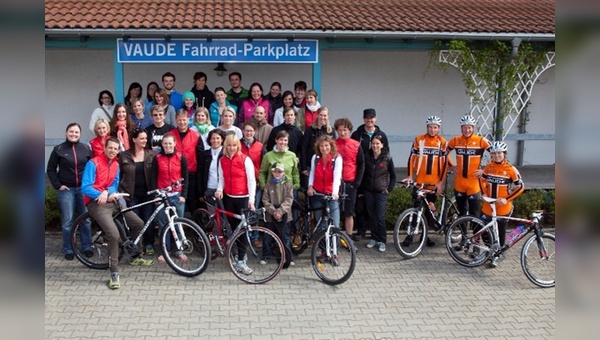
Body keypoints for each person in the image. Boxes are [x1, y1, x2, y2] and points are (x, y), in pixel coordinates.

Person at [82, 137, 154, 290]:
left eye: (115, 149)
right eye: (110, 148)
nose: (113, 151)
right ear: (105, 148)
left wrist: (108, 191)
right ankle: (114, 272)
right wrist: (100, 194)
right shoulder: (93, 163)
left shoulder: (115, 164)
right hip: (97, 203)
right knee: (114, 235)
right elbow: (85, 187)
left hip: (111, 200)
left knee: (138, 224)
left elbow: (115, 183)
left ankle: (135, 256)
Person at [47, 123, 93, 260]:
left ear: (80, 134)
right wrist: (58, 185)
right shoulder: (58, 149)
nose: (74, 134)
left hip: (83, 189)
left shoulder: (85, 149)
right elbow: (51, 169)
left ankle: (87, 246)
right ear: (66, 133)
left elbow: (92, 168)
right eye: (71, 132)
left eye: (76, 132)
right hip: (66, 189)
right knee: (68, 220)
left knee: (86, 219)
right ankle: (68, 248)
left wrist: (90, 185)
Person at [475, 141, 525, 267]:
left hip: (503, 206)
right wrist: (484, 193)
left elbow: (520, 186)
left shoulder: (511, 169)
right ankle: (490, 251)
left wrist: (507, 199)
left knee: (500, 232)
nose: (496, 156)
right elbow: (482, 179)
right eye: (494, 153)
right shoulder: (489, 167)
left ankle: (497, 255)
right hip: (489, 205)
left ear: (504, 154)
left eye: (499, 153)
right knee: (484, 229)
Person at [401, 116, 448, 247]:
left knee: (429, 211)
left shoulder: (442, 142)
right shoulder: (419, 139)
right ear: (427, 127)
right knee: (416, 208)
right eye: (430, 127)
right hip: (420, 181)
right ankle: (410, 236)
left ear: (438, 128)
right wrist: (410, 176)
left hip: (434, 183)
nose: (432, 129)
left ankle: (425, 236)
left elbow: (445, 165)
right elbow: (412, 158)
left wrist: (440, 182)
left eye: (435, 127)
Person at [215, 134, 256, 275]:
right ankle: (236, 253)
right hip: (228, 198)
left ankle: (241, 260)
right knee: (233, 228)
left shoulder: (245, 159)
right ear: (225, 146)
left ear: (238, 146)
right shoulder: (222, 160)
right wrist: (219, 190)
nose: (232, 148)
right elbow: (221, 179)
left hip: (243, 198)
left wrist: (251, 199)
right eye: (229, 145)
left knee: (242, 230)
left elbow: (252, 181)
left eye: (234, 145)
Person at [351, 108, 390, 240]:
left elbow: (387, 156)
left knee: (376, 212)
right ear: (364, 119)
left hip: (377, 175)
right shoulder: (357, 134)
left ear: (376, 118)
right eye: (367, 118)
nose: (369, 120)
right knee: (361, 206)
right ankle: (361, 231)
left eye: (372, 118)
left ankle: (378, 237)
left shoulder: (382, 135)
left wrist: (387, 183)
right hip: (362, 175)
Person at [150, 132, 189, 264]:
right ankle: (164, 250)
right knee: (163, 224)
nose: (167, 146)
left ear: (174, 144)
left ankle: (178, 250)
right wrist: (156, 195)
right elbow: (153, 178)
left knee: (177, 223)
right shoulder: (157, 158)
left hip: (177, 196)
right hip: (162, 196)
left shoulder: (181, 157)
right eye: (165, 143)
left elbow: (186, 178)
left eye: (170, 143)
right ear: (162, 144)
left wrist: (184, 195)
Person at [118, 129, 156, 255]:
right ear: (134, 140)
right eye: (141, 138)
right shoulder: (124, 155)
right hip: (131, 194)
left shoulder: (151, 154)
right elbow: (118, 175)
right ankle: (137, 248)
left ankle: (149, 244)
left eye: (145, 138)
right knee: (136, 222)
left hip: (148, 194)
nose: (144, 140)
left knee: (148, 220)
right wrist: (120, 191)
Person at [447, 115, 491, 217]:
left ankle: (475, 233)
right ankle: (463, 233)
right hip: (460, 181)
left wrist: (484, 171)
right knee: (461, 212)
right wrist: (452, 166)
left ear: (473, 128)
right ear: (461, 128)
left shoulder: (481, 140)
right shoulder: (455, 140)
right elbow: (444, 153)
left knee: (474, 213)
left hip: (474, 181)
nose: (467, 130)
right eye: (464, 127)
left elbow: (497, 154)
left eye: (469, 127)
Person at [362, 135, 396, 252]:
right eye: (373, 143)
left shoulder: (387, 157)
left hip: (381, 192)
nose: (375, 146)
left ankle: (382, 240)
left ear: (382, 145)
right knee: (371, 216)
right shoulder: (367, 156)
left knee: (380, 217)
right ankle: (374, 238)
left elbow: (393, 175)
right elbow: (363, 173)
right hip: (369, 192)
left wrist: (389, 188)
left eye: (377, 144)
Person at [334, 118, 365, 239]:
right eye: (340, 130)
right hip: (336, 184)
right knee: (335, 212)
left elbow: (361, 164)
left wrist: (357, 183)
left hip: (350, 182)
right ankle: (334, 237)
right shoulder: (333, 144)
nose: (342, 133)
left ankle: (349, 238)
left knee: (349, 212)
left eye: (345, 130)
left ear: (350, 130)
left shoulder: (356, 145)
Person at [307, 135, 343, 234]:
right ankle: (323, 248)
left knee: (335, 223)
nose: (324, 148)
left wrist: (335, 193)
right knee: (321, 222)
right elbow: (312, 173)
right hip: (317, 193)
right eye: (321, 146)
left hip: (331, 194)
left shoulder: (337, 159)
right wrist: (310, 186)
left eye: (326, 145)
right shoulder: (315, 158)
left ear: (331, 146)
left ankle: (334, 247)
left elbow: (337, 177)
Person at [170, 109, 203, 214]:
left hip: (191, 172)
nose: (182, 122)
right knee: (176, 202)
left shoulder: (196, 135)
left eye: (184, 120)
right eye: (179, 120)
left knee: (192, 201)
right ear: (176, 120)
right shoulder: (170, 135)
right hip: (175, 174)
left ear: (188, 120)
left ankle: (194, 227)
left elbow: (200, 156)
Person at [262, 162, 294, 268]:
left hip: (285, 216)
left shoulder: (288, 184)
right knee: (268, 236)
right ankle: (266, 256)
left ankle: (288, 257)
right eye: (275, 171)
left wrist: (280, 211)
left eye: (279, 172)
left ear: (283, 172)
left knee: (285, 237)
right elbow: (265, 200)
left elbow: (289, 199)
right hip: (270, 216)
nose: (277, 173)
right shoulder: (268, 184)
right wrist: (273, 211)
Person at [301, 107, 336, 189]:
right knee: (310, 188)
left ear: (328, 116)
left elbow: (333, 149)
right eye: (321, 115)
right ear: (317, 115)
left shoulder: (331, 131)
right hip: (310, 164)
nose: (322, 118)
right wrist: (304, 167)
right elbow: (304, 148)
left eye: (325, 115)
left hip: (326, 165)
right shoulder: (309, 130)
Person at [197, 128, 226, 204]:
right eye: (213, 138)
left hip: (223, 190)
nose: (215, 141)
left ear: (222, 139)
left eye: (218, 138)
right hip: (208, 189)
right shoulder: (205, 154)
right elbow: (200, 174)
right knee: (211, 214)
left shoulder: (226, 154)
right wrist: (200, 192)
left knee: (223, 214)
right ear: (209, 140)